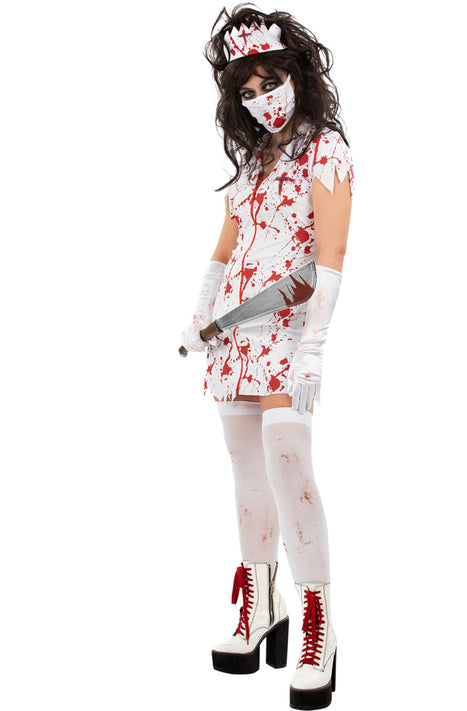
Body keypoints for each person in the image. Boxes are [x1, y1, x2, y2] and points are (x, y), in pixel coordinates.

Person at [179, 5, 354, 709]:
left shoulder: (326, 150)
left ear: (296, 74)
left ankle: (317, 623)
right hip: (234, 332)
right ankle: (260, 604)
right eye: (247, 91)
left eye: (270, 82)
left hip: (287, 328)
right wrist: (200, 313)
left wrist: (313, 346)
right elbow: (225, 247)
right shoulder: (252, 161)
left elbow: (330, 255)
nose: (261, 99)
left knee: (289, 463)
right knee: (247, 469)